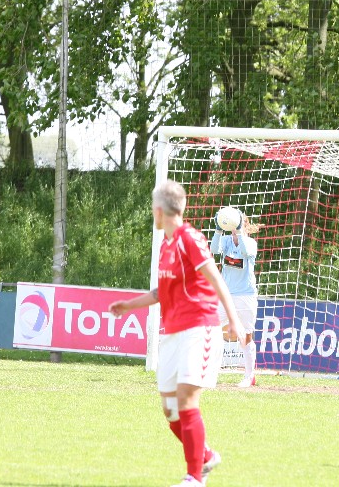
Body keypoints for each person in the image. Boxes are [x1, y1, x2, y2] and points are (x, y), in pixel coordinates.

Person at [109, 181, 244, 487]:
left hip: (199, 328)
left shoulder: (189, 239)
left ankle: (194, 478)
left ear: (159, 211)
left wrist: (233, 321)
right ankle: (206, 456)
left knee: (186, 401)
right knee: (170, 412)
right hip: (172, 333)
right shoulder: (167, 245)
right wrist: (129, 305)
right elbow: (162, 292)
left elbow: (217, 281)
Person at [210, 207, 260, 388]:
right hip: (226, 294)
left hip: (246, 295)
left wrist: (239, 231)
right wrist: (218, 230)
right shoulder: (226, 240)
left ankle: (249, 376)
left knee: (245, 335)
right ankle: (209, 372)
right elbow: (214, 250)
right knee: (211, 328)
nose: (233, 229)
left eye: (237, 225)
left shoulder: (251, 243)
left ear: (243, 225)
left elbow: (246, 253)